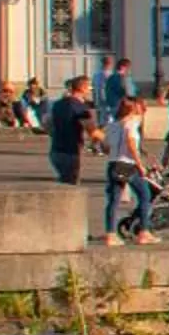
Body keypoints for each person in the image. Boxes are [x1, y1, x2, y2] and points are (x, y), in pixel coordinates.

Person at [102, 94, 156, 245]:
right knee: (145, 195)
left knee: (113, 200)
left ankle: (110, 234)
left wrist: (114, 151)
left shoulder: (112, 125)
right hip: (128, 164)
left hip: (113, 163)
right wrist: (140, 164)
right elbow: (131, 143)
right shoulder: (131, 124)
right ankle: (144, 232)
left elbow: (104, 146)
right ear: (133, 110)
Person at [46, 74, 96, 186]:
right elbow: (92, 131)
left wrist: (55, 133)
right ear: (82, 88)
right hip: (71, 151)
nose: (90, 91)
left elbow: (46, 122)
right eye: (89, 88)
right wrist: (107, 140)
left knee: (64, 182)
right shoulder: (80, 107)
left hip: (55, 151)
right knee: (71, 187)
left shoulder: (58, 104)